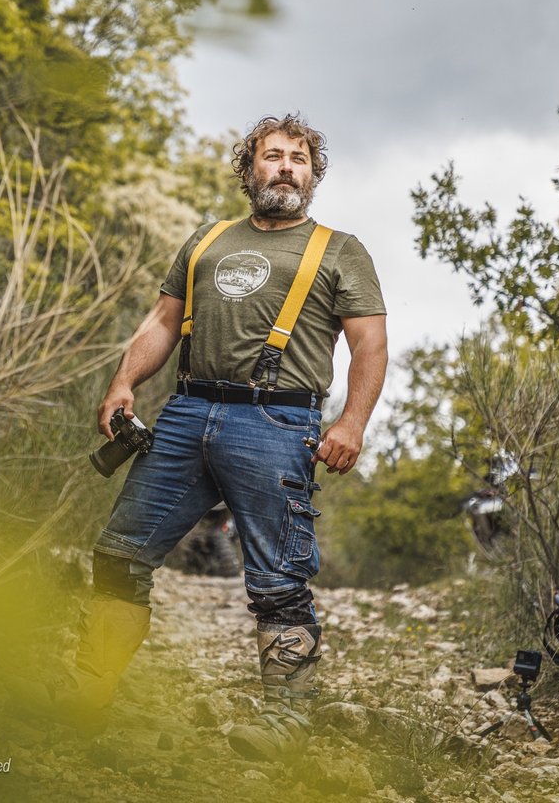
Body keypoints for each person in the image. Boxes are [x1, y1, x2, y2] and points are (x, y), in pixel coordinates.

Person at [37, 114, 387, 760]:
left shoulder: (340, 250)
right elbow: (162, 320)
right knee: (120, 556)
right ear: (248, 169)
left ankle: (286, 722)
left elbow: (370, 344)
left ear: (313, 176)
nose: (286, 168)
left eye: (299, 160)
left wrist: (351, 423)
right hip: (184, 413)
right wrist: (123, 383)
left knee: (277, 581)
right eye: (272, 156)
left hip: (276, 423)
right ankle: (89, 691)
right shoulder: (207, 239)